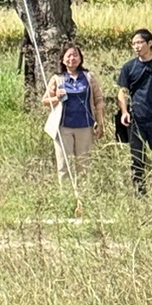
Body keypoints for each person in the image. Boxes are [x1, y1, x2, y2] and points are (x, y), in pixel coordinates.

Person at [117, 27, 152, 202]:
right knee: (137, 158)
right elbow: (122, 91)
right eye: (134, 43)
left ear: (150, 43)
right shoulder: (129, 67)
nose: (137, 46)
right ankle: (140, 195)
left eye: (140, 42)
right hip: (136, 120)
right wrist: (124, 111)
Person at [43, 43, 98, 202]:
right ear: (62, 59)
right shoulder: (57, 78)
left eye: (75, 55)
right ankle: (66, 198)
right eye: (68, 56)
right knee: (64, 164)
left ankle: (83, 198)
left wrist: (100, 122)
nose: (72, 59)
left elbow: (99, 100)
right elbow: (45, 100)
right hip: (63, 127)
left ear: (80, 58)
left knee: (84, 164)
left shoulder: (89, 77)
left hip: (85, 126)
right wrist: (56, 97)